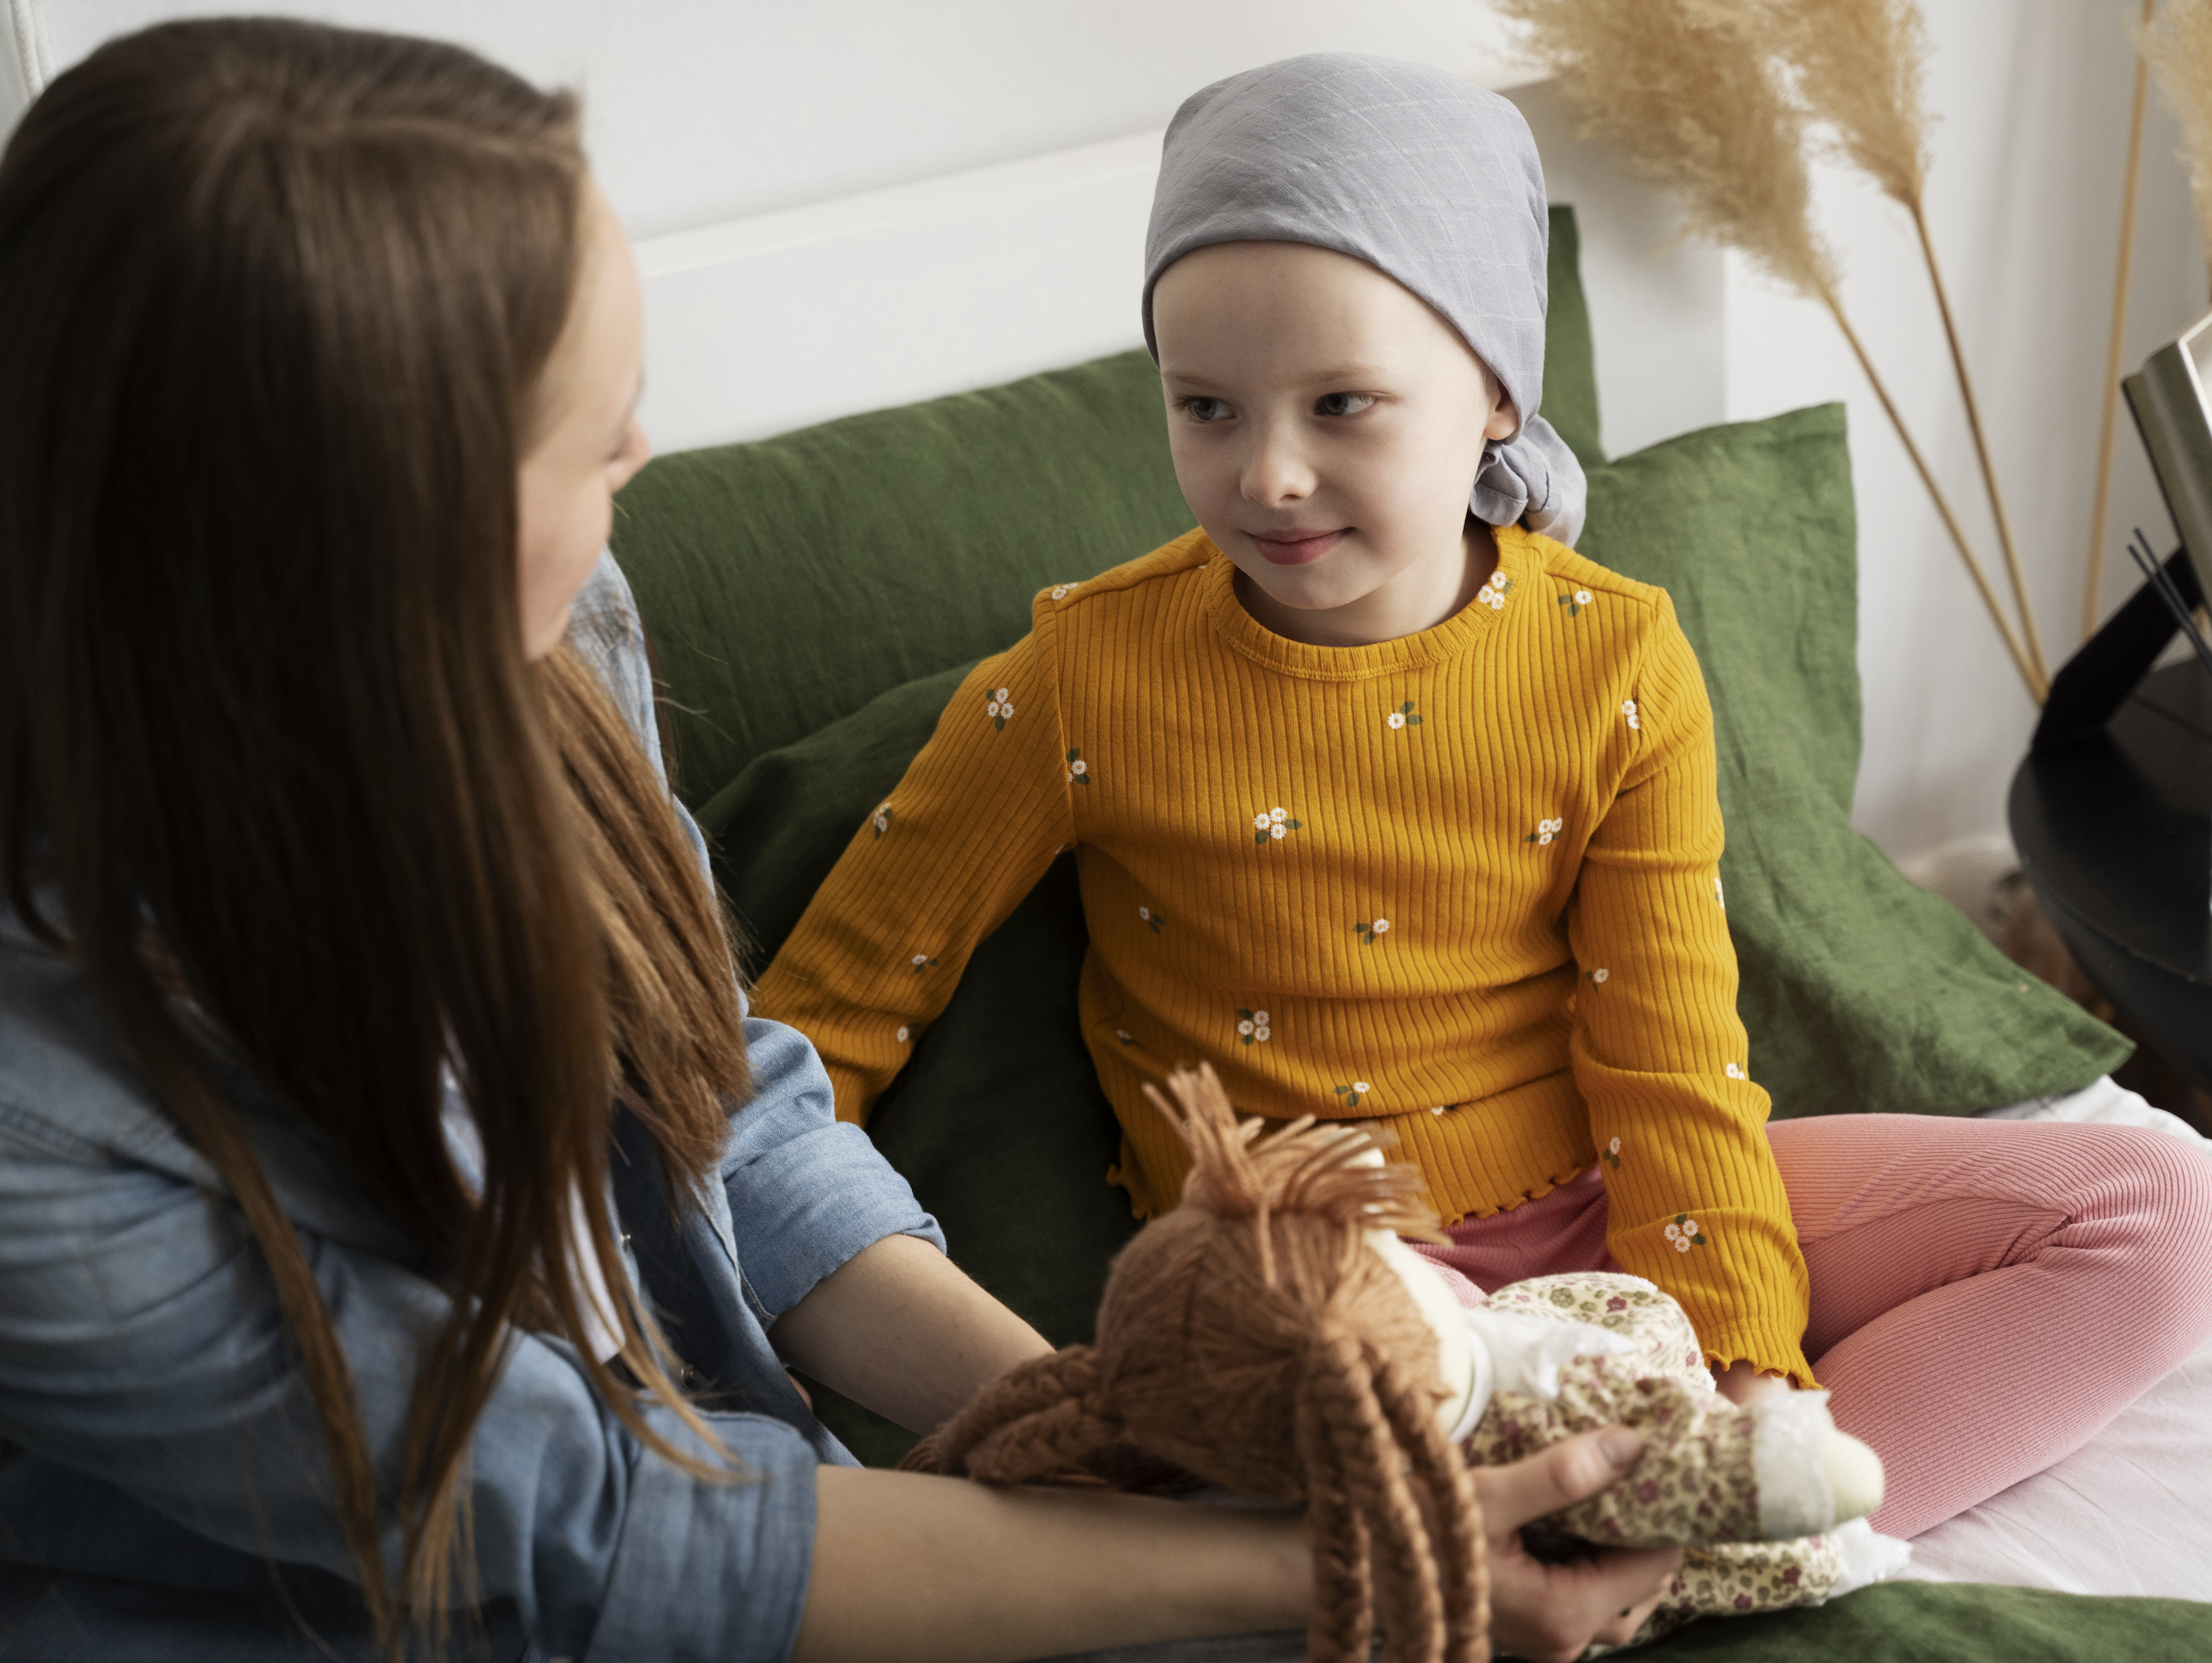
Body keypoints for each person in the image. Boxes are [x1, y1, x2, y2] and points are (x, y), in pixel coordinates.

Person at [0, 21, 1688, 1663]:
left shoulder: (544, 628)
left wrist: (1115, 1431)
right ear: (376, 520)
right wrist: (1304, 1561)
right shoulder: (41, 1126)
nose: (639, 455)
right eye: (588, 429)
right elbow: (610, 1536)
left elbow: (710, 1099)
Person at [754, 54, 2212, 1544]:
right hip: (1332, 1280)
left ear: (1487, 391)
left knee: (2172, 1218)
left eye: (1342, 402)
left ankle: (1711, 1536)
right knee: (1336, 1355)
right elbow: (820, 1027)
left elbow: (1670, 1050)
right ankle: (1576, 1533)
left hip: (1611, 1205)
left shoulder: (1613, 655)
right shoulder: (1080, 678)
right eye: (1206, 408)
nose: (1267, 474)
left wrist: (1746, 1369)